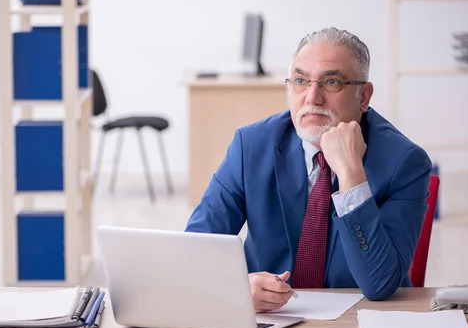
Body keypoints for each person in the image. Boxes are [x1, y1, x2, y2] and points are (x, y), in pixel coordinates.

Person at [185, 27, 432, 312]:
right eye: (301, 80)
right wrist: (234, 287)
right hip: (269, 320)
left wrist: (352, 176)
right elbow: (195, 251)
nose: (312, 97)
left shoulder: (405, 162)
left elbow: (380, 285)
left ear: (364, 96)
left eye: (331, 82)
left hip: (359, 326)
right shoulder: (251, 146)